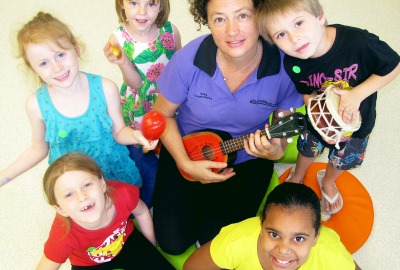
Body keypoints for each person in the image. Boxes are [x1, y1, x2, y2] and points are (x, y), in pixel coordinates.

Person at [151, 0, 303, 255]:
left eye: (242, 16)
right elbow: (161, 116)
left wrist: (276, 152)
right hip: (188, 150)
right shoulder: (188, 61)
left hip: (247, 157)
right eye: (220, 19)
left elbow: (282, 128)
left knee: (216, 242)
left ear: (260, 16)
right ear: (207, 21)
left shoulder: (285, 66)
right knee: (172, 243)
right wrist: (185, 163)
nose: (232, 31)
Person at [256, 0, 400, 219]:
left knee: (342, 159)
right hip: (317, 123)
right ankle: (299, 172)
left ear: (320, 16)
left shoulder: (358, 42)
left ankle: (328, 180)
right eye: (281, 35)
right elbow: (306, 90)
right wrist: (313, 109)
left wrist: (357, 94)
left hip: (356, 128)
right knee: (306, 149)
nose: (295, 39)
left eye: (299, 23)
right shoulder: (293, 63)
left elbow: (393, 65)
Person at [0, 12, 157, 189]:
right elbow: (39, 149)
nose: (57, 67)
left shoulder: (106, 88)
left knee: (128, 205)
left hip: (113, 172)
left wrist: (136, 135)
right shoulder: (36, 105)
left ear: (76, 49)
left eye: (60, 55)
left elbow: (118, 131)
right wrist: (4, 176)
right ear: (33, 69)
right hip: (75, 183)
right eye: (43, 63)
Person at [103, 0, 182, 208]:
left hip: (170, 96)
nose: (142, 11)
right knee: (144, 150)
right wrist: (123, 63)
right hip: (141, 102)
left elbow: (180, 65)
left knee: (175, 138)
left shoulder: (170, 31)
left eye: (151, 4)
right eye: (134, 3)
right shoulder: (118, 39)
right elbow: (136, 83)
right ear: (121, 5)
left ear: (161, 7)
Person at [36, 152, 174, 269]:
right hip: (87, 263)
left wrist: (151, 247)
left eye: (87, 185)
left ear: (102, 184)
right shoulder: (63, 235)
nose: (82, 197)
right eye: (69, 194)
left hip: (127, 242)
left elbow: (142, 212)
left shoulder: (123, 194)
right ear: (61, 209)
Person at [183, 182, 361, 270]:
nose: (283, 250)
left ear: (316, 237)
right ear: (261, 226)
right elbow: (192, 267)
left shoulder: (329, 250)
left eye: (298, 238)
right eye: (274, 234)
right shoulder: (237, 241)